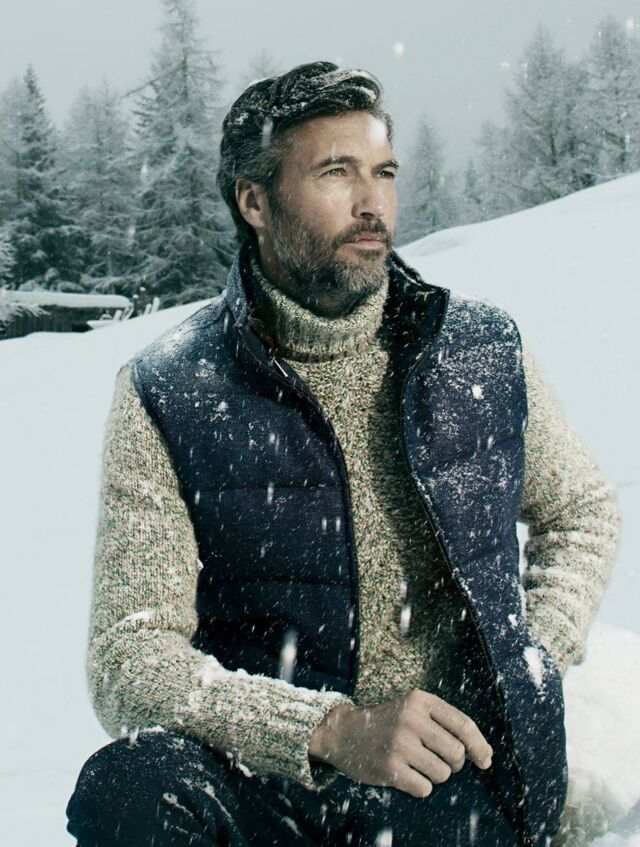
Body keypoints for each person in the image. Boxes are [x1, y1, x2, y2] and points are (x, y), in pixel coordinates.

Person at [66, 62, 621, 847]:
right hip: (273, 774)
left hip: (451, 771)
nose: (372, 204)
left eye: (383, 172)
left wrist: (527, 658)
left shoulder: (477, 348)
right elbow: (129, 657)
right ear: (255, 202)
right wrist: (329, 729)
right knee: (126, 788)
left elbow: (581, 511)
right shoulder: (172, 390)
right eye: (337, 172)